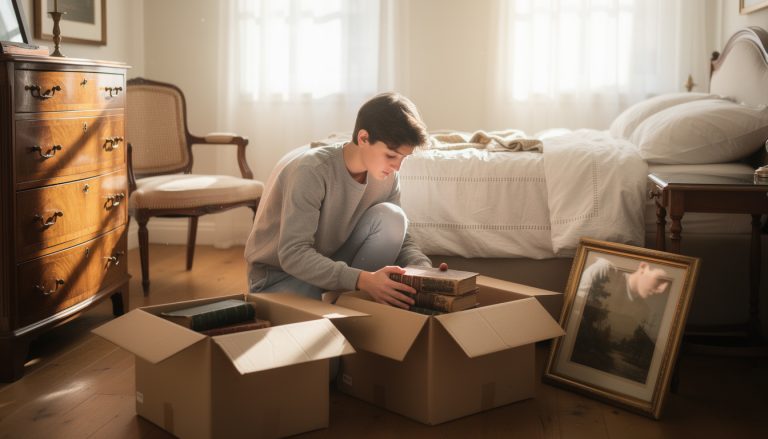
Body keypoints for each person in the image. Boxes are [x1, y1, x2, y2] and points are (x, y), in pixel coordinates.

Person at [244, 92, 433, 309]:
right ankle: (352, 302)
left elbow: (401, 239)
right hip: (279, 279)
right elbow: (292, 254)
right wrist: (363, 280)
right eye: (391, 156)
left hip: (330, 273)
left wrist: (424, 269)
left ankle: (349, 303)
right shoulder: (312, 171)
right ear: (363, 138)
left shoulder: (388, 177)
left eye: (403, 158)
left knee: (393, 217)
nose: (397, 167)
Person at [571, 257, 671, 383]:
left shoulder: (643, 310)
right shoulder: (605, 270)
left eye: (666, 285)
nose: (661, 289)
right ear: (643, 267)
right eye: (659, 280)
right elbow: (575, 307)